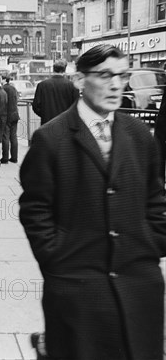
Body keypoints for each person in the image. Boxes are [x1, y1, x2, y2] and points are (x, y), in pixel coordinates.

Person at [20, 45, 166, 360]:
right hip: (77, 290)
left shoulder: (139, 135)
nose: (116, 85)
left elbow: (155, 197)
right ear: (80, 80)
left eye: (122, 76)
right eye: (105, 75)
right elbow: (35, 209)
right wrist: (56, 259)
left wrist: (155, 241)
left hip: (138, 286)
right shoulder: (51, 138)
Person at [32, 59, 80, 125]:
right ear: (64, 69)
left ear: (53, 69)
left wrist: (45, 115)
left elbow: (36, 106)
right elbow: (77, 106)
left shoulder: (42, 85)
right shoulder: (72, 86)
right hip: (66, 123)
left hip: (47, 123)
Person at [1, 76, 20, 164]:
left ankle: (5, 158)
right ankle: (14, 157)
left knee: (5, 136)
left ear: (3, 79)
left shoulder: (3, 89)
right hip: (15, 115)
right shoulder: (13, 88)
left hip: (6, 116)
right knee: (14, 136)